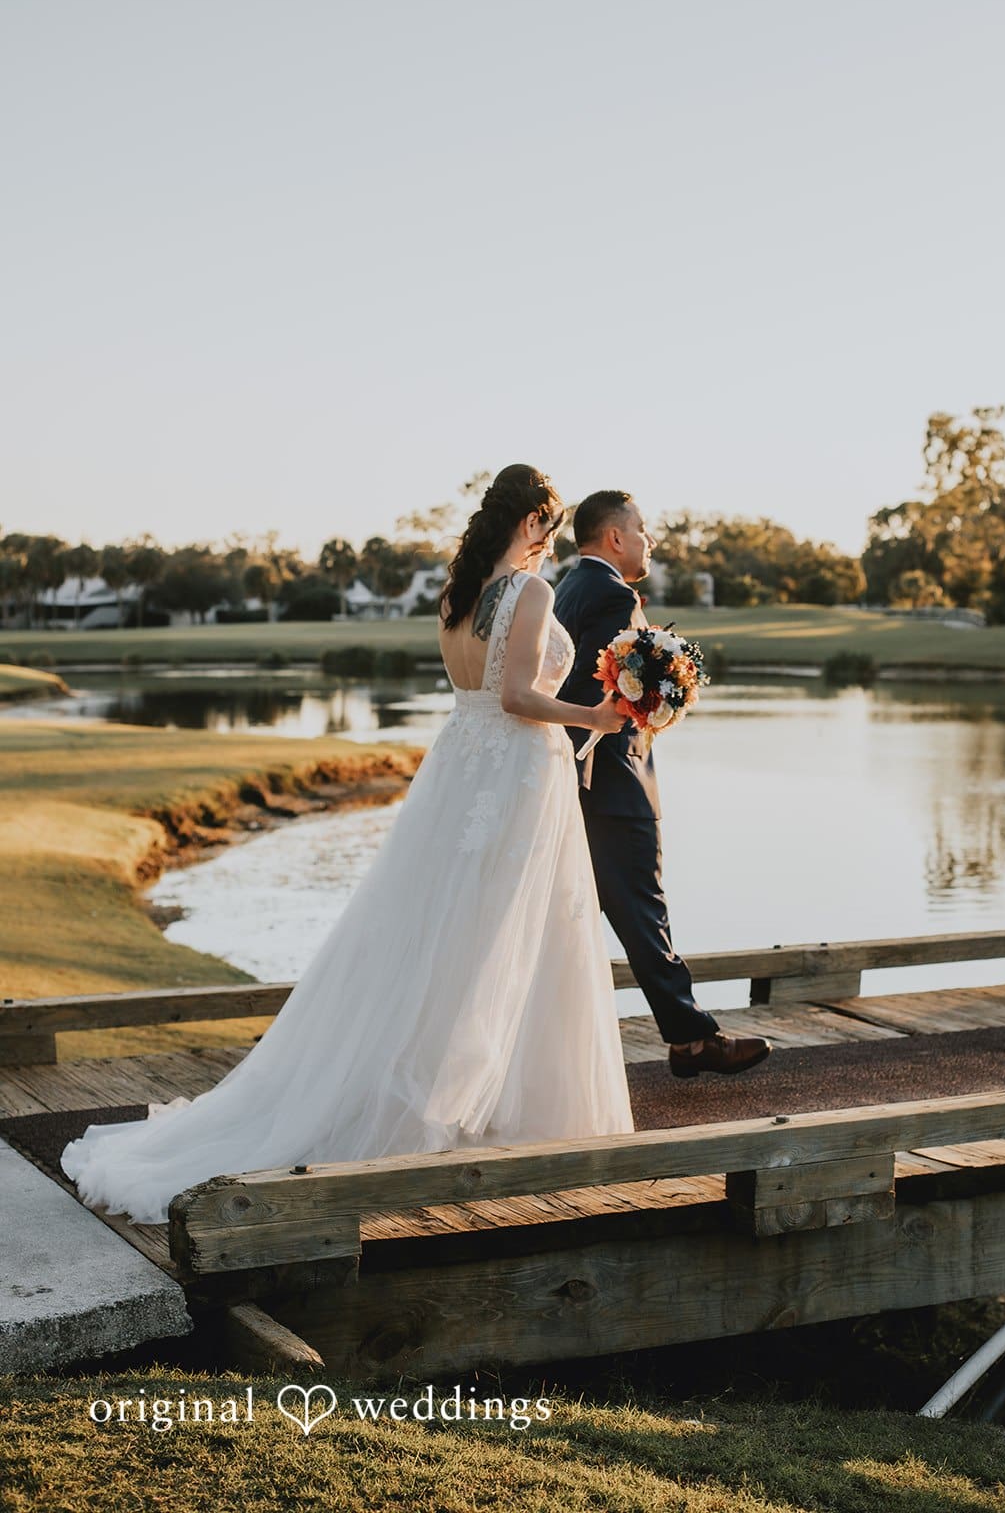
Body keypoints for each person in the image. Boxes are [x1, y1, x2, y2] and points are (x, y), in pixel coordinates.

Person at [60, 466, 637, 1225]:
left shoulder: (456, 593)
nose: (550, 541)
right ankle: (485, 1105)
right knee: (507, 933)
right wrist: (599, 716)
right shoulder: (526, 593)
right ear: (531, 521)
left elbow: (478, 694)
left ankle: (462, 1089)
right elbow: (516, 698)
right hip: (516, 774)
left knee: (444, 931)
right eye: (550, 525)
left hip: (463, 768)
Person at [553, 489, 772, 1079]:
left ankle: (684, 1039)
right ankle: (694, 1039)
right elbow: (591, 688)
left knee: (591, 913)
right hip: (613, 782)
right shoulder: (610, 594)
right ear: (615, 537)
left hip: (580, 777)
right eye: (642, 529)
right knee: (642, 909)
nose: (650, 540)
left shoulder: (569, 588)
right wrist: (654, 703)